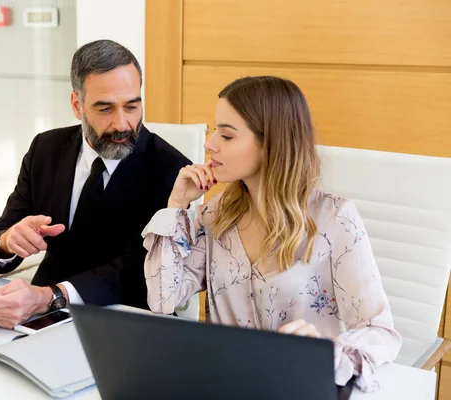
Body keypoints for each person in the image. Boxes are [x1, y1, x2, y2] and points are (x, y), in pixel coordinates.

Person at [142, 76, 401, 391]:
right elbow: (162, 298)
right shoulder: (214, 215)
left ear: (270, 144)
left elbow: (379, 332)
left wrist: (322, 349)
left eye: (227, 135)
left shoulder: (335, 220)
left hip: (297, 386)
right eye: (214, 131)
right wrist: (177, 204)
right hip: (221, 384)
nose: (210, 144)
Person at [0, 40, 190, 329]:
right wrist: (9, 241)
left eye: (131, 106)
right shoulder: (45, 148)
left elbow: (140, 269)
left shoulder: (170, 169)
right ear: (77, 105)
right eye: (105, 109)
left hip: (126, 320)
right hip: (41, 316)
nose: (122, 123)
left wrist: (51, 296)